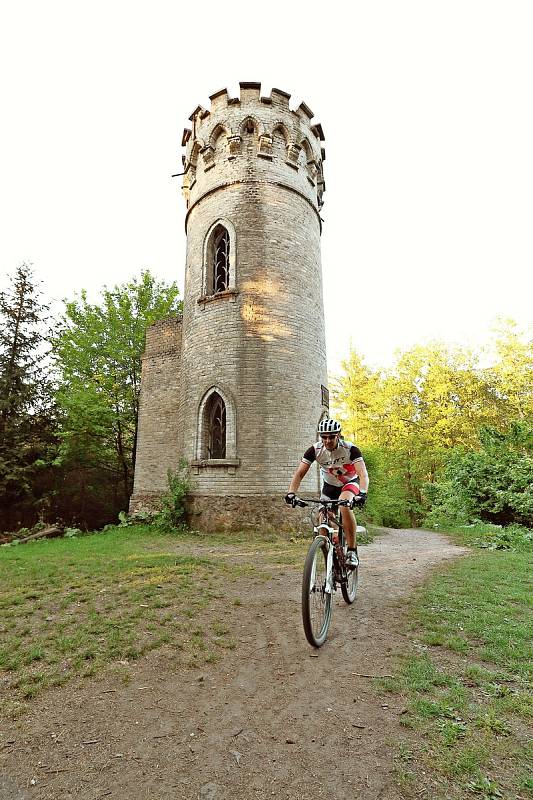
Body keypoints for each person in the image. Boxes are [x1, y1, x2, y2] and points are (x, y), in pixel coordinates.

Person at [285, 418, 369, 568]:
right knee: (322, 524)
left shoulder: (350, 449)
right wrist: (291, 493)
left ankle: (351, 551)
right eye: (324, 437)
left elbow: (363, 474)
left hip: (349, 484)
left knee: (344, 505)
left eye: (331, 436)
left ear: (338, 435)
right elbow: (299, 473)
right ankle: (331, 564)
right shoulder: (315, 450)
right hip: (329, 487)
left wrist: (362, 493)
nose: (327, 440)